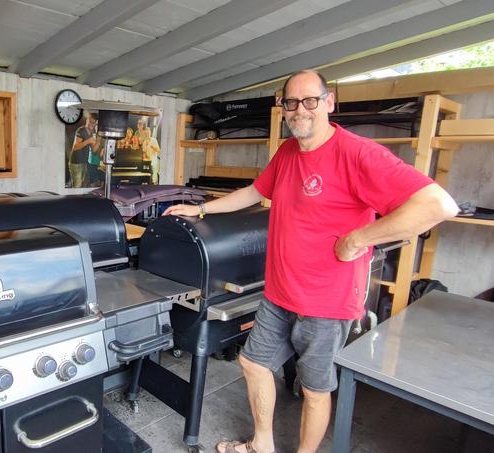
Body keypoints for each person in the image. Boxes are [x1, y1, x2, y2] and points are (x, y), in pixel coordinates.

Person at [163, 69, 458, 453]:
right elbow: (255, 191)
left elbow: (438, 205)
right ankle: (262, 445)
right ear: (282, 108)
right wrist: (202, 211)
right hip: (280, 292)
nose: (300, 110)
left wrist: (360, 238)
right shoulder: (287, 151)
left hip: (326, 302)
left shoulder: (357, 153)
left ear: (329, 103)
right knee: (253, 364)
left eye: (310, 101)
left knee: (314, 389)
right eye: (292, 102)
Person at [69, 112, 98, 188]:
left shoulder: (93, 132)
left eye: (93, 123)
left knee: (85, 185)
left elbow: (94, 149)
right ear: (87, 120)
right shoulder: (81, 130)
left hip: (85, 162)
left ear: (95, 124)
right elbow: (75, 147)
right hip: (76, 162)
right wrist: (88, 141)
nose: (91, 124)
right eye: (90, 121)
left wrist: (98, 140)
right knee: (77, 186)